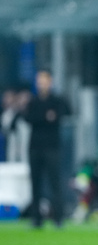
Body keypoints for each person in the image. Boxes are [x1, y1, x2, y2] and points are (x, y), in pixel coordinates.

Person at [24, 69, 71, 228]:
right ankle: (36, 219)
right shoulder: (33, 101)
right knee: (35, 184)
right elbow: (29, 118)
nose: (42, 83)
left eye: (45, 79)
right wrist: (46, 117)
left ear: (51, 81)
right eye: (40, 80)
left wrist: (45, 118)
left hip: (52, 147)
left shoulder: (57, 100)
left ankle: (58, 218)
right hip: (35, 147)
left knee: (54, 183)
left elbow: (64, 113)